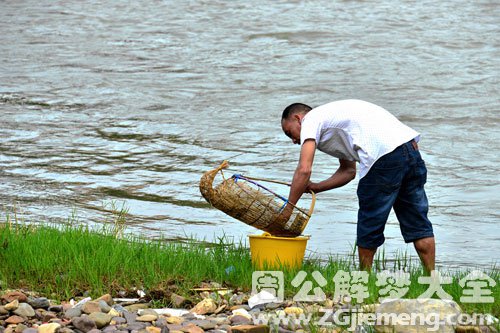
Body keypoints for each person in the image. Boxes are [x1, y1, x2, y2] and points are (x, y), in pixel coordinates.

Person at [279, 99, 435, 272]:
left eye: (289, 132)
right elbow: (347, 171)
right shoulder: (332, 119)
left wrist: (288, 209)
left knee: (370, 223)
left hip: (384, 157)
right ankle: (431, 279)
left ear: (298, 118)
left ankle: (364, 279)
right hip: (410, 150)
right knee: (418, 223)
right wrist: (317, 187)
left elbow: (304, 169)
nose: (293, 140)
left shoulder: (311, 119)